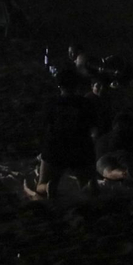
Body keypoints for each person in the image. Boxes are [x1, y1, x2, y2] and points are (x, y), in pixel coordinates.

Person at [28, 69, 101, 201]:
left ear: (59, 85)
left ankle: (48, 186)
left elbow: (44, 127)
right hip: (81, 147)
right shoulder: (86, 103)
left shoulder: (51, 103)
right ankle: (90, 185)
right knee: (85, 181)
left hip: (56, 147)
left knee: (41, 184)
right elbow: (94, 128)